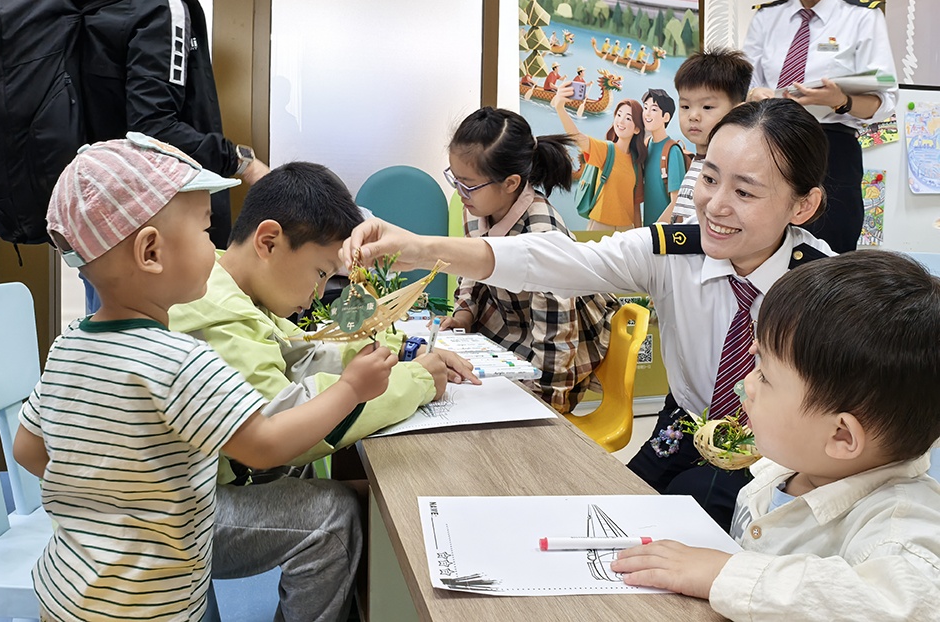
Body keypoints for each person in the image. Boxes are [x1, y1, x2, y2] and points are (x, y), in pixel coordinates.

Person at [343, 98, 834, 531]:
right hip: (683, 424)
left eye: (745, 192)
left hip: (772, 451)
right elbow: (552, 260)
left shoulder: (824, 289)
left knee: (692, 520)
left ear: (804, 205)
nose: (714, 206)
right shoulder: (675, 252)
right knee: (614, 516)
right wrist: (420, 248)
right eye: (708, 179)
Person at [12, 134, 393, 622]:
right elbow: (265, 444)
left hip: (67, 590)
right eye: (204, 230)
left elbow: (29, 449)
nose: (215, 245)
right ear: (151, 252)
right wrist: (351, 389)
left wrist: (115, 501)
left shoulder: (68, 345)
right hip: (154, 602)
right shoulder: (181, 361)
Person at [166, 161, 475, 616]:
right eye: (318, 273)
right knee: (332, 517)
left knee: (326, 483)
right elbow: (283, 427)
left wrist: (396, 358)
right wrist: (414, 381)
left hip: (206, 486)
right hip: (185, 516)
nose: (317, 294)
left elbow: (294, 359)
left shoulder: (231, 288)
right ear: (268, 242)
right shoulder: (215, 311)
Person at [612, 250, 940, 621]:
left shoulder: (900, 531)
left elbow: (907, 604)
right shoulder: (789, 469)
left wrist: (724, 573)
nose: (747, 384)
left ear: (842, 437)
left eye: (765, 376)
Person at [44, 0, 270, 251]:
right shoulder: (161, 5)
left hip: (99, 219)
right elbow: (153, 127)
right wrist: (240, 161)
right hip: (154, 222)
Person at [439, 107, 615, 413]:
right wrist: (464, 314)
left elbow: (558, 334)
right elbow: (472, 269)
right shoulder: (477, 208)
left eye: (468, 184)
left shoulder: (542, 231)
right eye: (455, 180)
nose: (461, 193)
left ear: (510, 183)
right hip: (513, 325)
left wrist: (546, 403)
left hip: (562, 342)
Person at [742, 0, 897, 253]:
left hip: (832, 151)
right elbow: (746, 80)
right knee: (764, 250)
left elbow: (883, 99)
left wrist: (838, 99)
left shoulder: (862, 17)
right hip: (769, 144)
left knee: (828, 260)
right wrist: (755, 93)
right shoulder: (767, 17)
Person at [664, 48, 753, 224]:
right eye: (685, 107)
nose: (693, 116)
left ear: (738, 110)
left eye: (707, 107)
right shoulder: (698, 161)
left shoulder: (728, 170)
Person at [556, 90, 646, 232]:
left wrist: (640, 235)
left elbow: (635, 206)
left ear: (636, 129)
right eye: (619, 115)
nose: (621, 121)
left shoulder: (636, 163)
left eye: (628, 118)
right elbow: (577, 138)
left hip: (627, 230)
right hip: (600, 226)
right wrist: (560, 108)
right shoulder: (606, 149)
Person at [640, 88, 685, 225]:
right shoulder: (646, 145)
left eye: (653, 109)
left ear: (666, 117)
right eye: (645, 108)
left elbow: (676, 201)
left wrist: (654, 230)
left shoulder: (672, 151)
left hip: (663, 233)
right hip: (646, 231)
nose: (647, 114)